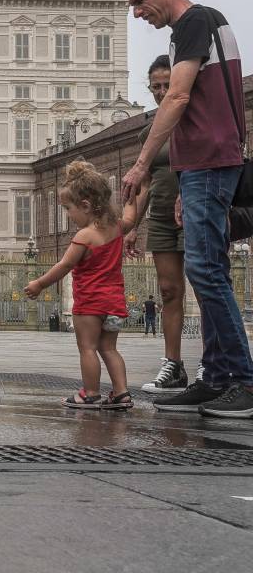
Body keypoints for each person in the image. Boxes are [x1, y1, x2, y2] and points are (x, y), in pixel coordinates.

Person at [119, 0, 253, 418]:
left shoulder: (195, 22)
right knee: (207, 270)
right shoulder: (200, 27)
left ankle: (243, 380)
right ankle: (215, 378)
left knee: (208, 272)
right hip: (201, 166)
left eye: (139, 2)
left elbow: (177, 97)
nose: (137, 13)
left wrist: (140, 164)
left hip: (210, 161)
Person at [26, 161, 140, 409]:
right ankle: (122, 394)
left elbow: (64, 266)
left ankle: (90, 393)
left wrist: (39, 284)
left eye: (69, 208)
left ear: (86, 206)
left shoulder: (84, 236)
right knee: (109, 349)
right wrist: (137, 190)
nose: (68, 214)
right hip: (115, 302)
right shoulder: (118, 228)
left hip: (90, 304)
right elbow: (132, 215)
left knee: (87, 348)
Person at [124, 55, 199, 394]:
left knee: (208, 290)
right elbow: (143, 186)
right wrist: (131, 226)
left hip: (197, 214)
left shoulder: (197, 121)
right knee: (169, 292)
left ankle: (215, 364)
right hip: (162, 219)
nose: (162, 91)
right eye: (156, 87)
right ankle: (174, 365)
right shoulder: (148, 132)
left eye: (168, 85)